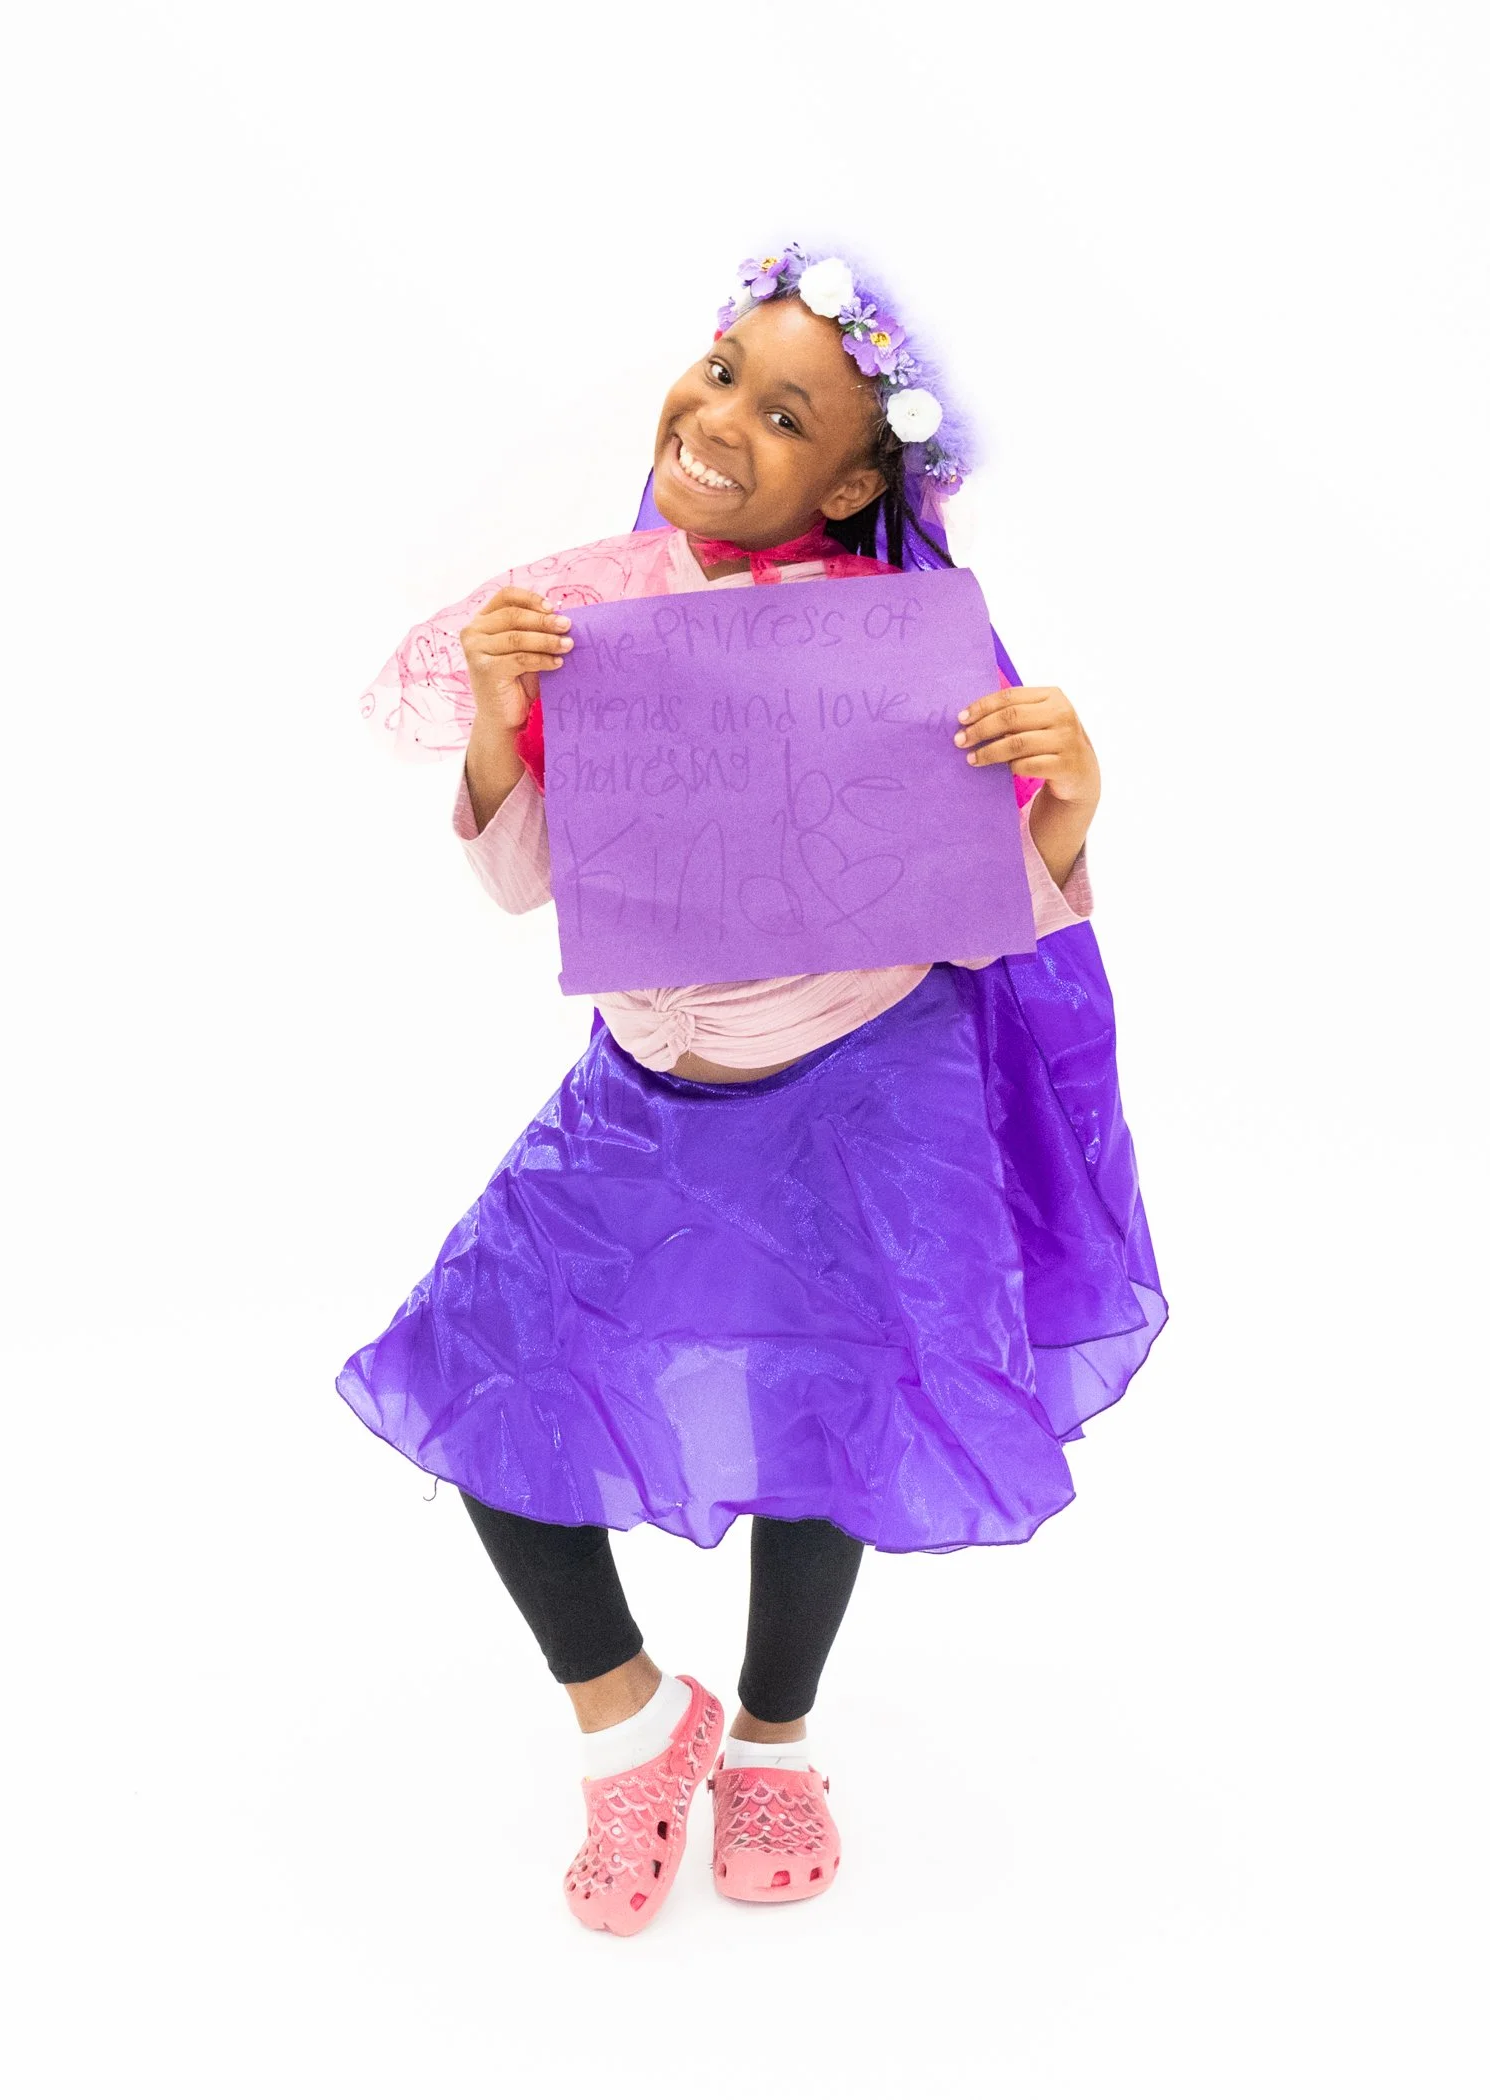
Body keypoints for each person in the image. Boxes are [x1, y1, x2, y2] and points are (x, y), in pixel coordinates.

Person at [338, 242, 1167, 1937]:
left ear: (855, 480)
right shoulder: (599, 609)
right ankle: (634, 1726)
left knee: (823, 1419)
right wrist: (503, 715)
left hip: (865, 1099)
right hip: (648, 1093)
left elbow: (975, 918)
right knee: (485, 1387)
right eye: (723, 369)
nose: (722, 419)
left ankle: (776, 1739)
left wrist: (1068, 808)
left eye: (788, 415)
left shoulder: (901, 646)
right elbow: (527, 885)